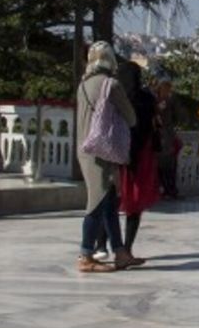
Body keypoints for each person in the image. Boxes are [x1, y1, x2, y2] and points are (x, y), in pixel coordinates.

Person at [75, 41, 137, 273]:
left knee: (109, 202)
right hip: (103, 150)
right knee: (97, 202)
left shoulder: (83, 85)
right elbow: (130, 118)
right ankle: (85, 255)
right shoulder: (111, 85)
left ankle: (120, 252)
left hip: (85, 149)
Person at [116, 60, 160, 261]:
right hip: (141, 156)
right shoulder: (147, 99)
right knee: (134, 205)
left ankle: (103, 245)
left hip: (117, 155)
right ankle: (127, 247)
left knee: (110, 202)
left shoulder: (115, 97)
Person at [154, 76, 182, 199]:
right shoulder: (155, 100)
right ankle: (165, 190)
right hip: (160, 137)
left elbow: (179, 115)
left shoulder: (171, 100)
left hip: (167, 137)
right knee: (163, 166)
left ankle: (169, 190)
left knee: (169, 166)